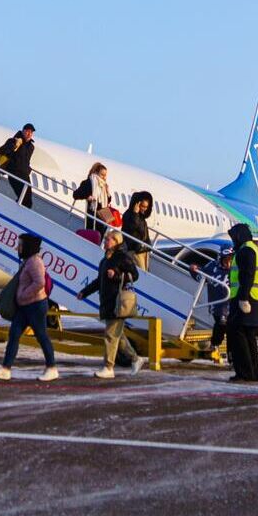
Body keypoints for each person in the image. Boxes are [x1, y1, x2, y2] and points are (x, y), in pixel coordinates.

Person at [0, 233, 59, 382]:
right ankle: (5, 369)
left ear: (28, 247)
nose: (18, 248)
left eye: (20, 245)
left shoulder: (35, 262)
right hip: (25, 307)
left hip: (35, 305)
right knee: (14, 334)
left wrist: (22, 295)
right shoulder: (28, 261)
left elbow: (39, 282)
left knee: (41, 336)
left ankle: (52, 368)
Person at [77, 230, 144, 378]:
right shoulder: (105, 260)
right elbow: (99, 281)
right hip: (107, 301)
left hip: (117, 302)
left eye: (108, 240)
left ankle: (108, 367)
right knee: (117, 337)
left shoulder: (122, 257)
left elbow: (135, 275)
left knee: (110, 335)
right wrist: (84, 292)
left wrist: (117, 275)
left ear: (116, 241)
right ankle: (136, 359)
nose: (105, 242)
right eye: (106, 239)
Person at [225, 223, 258, 382]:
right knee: (249, 337)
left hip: (245, 299)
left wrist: (243, 298)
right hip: (253, 299)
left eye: (234, 237)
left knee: (239, 336)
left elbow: (247, 276)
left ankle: (244, 373)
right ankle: (253, 373)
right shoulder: (251, 249)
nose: (233, 240)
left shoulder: (245, 251)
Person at [0, 123, 37, 207]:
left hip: (25, 176)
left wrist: (28, 169)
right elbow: (2, 150)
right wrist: (14, 145)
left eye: (31, 132)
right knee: (22, 198)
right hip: (14, 173)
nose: (29, 134)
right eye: (27, 131)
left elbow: (27, 160)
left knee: (28, 202)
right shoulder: (13, 140)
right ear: (23, 131)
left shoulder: (31, 147)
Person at [121, 190, 154, 272]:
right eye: (142, 206)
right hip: (134, 252)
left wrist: (148, 246)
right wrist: (135, 214)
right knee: (140, 273)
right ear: (137, 204)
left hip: (142, 251)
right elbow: (132, 228)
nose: (144, 209)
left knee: (144, 272)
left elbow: (144, 235)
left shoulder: (142, 218)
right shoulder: (129, 215)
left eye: (146, 207)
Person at [80, 162, 113, 233]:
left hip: (102, 219)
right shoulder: (89, 183)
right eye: (102, 175)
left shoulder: (103, 186)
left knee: (100, 236)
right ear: (96, 173)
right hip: (92, 217)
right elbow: (76, 194)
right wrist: (87, 197)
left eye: (105, 175)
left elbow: (108, 201)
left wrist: (107, 192)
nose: (104, 177)